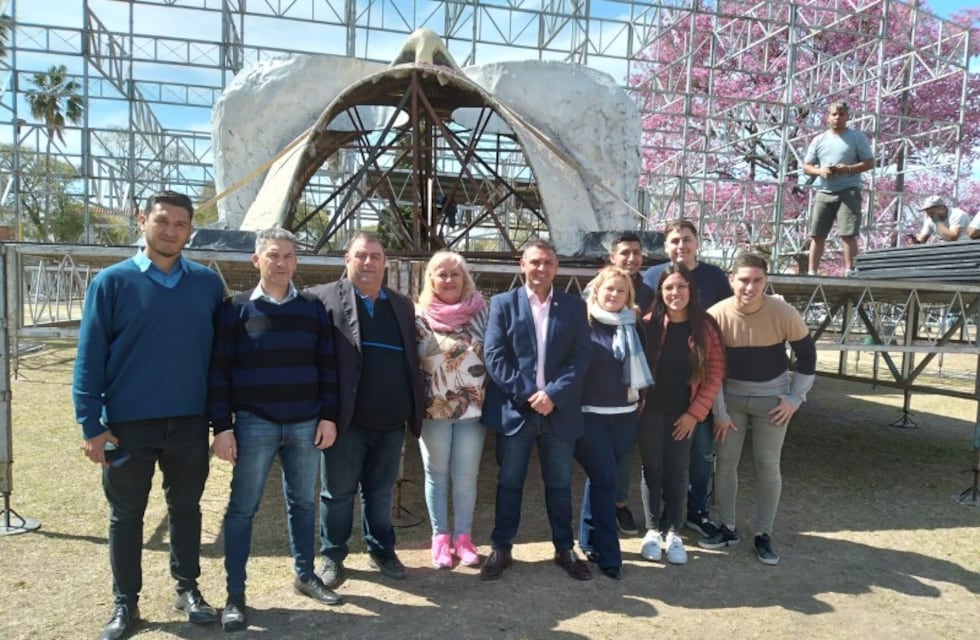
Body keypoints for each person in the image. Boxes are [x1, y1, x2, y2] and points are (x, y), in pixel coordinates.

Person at [73, 190, 225, 640]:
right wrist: (91, 425)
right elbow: (89, 357)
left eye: (181, 224)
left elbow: (221, 358)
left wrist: (222, 421)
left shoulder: (207, 284)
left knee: (186, 509)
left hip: (190, 422)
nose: (171, 231)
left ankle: (188, 589)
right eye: (162, 221)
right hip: (127, 425)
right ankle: (126, 603)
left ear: (190, 231)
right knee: (127, 515)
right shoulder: (112, 282)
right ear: (142, 221)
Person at [208, 228, 343, 632]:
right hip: (254, 423)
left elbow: (328, 368)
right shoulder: (234, 310)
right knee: (242, 509)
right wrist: (222, 427)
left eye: (288, 256)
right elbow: (219, 372)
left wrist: (328, 416)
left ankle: (305, 575)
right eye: (272, 255)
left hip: (305, 423)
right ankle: (235, 594)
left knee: (304, 503)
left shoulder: (312, 308)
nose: (280, 262)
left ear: (296, 262)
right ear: (256, 261)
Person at [307, 231, 424, 589]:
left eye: (375, 255)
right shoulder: (321, 299)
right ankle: (332, 554)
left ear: (385, 261)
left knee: (380, 491)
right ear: (347, 259)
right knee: (337, 493)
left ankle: (382, 549)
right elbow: (313, 362)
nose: (369, 262)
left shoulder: (401, 304)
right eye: (361, 255)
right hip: (345, 421)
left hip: (391, 421)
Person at [479, 238, 594, 581]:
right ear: (522, 264)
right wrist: (532, 395)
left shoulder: (574, 307)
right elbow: (494, 356)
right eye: (535, 262)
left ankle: (563, 548)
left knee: (559, 484)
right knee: (509, 482)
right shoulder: (502, 303)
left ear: (556, 268)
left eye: (548, 263)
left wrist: (553, 395)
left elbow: (581, 357)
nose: (541, 268)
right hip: (518, 411)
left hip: (558, 411)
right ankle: (502, 547)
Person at [700, 253, 816, 566]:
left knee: (767, 464)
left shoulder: (783, 312)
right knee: (725, 464)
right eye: (743, 280)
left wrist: (795, 398)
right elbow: (710, 369)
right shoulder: (716, 315)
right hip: (731, 401)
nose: (750, 287)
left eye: (758, 281)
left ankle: (764, 534)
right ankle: (727, 526)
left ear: (766, 282)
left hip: (773, 402)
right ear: (731, 280)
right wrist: (719, 411)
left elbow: (807, 355)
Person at [643, 219, 732, 539]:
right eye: (669, 288)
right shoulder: (649, 322)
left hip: (688, 408)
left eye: (681, 287)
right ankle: (654, 525)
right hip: (651, 410)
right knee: (652, 469)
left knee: (684, 468)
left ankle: (678, 525)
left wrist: (695, 414)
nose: (675, 293)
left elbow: (715, 371)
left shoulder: (705, 324)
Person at [575, 266, 654, 579]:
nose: (614, 295)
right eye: (609, 289)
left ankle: (587, 538)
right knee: (607, 478)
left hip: (625, 417)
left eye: (621, 291)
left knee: (600, 478)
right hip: (589, 415)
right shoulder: (584, 323)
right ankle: (610, 554)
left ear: (628, 296)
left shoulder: (633, 325)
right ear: (597, 290)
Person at [415, 251, 488, 569]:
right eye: (441, 274)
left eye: (454, 274)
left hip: (473, 412)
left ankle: (464, 538)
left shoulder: (482, 314)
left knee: (466, 477)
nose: (448, 280)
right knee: (437, 475)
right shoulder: (417, 317)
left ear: (465, 278)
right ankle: (440, 539)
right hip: (433, 411)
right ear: (431, 279)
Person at [599, 233, 654, 536]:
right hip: (600, 390)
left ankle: (620, 505)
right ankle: (598, 510)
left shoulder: (651, 291)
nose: (631, 258)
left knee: (625, 453)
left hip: (633, 389)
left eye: (636, 252)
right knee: (599, 455)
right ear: (612, 257)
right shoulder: (596, 291)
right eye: (625, 253)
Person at [803, 101, 875, 276]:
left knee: (848, 233)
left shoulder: (857, 137)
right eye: (834, 114)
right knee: (817, 234)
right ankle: (812, 271)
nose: (838, 118)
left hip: (848, 190)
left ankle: (850, 270)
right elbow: (807, 166)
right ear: (828, 117)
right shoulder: (819, 140)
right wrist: (821, 171)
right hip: (824, 191)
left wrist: (847, 169)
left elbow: (869, 162)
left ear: (847, 116)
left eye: (841, 114)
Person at [909, 195, 974, 243]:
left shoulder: (957, 215)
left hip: (965, 249)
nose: (930, 216)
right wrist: (915, 241)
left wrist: (938, 222)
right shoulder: (930, 220)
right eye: (928, 213)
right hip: (947, 252)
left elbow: (952, 238)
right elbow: (921, 239)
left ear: (942, 208)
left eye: (932, 212)